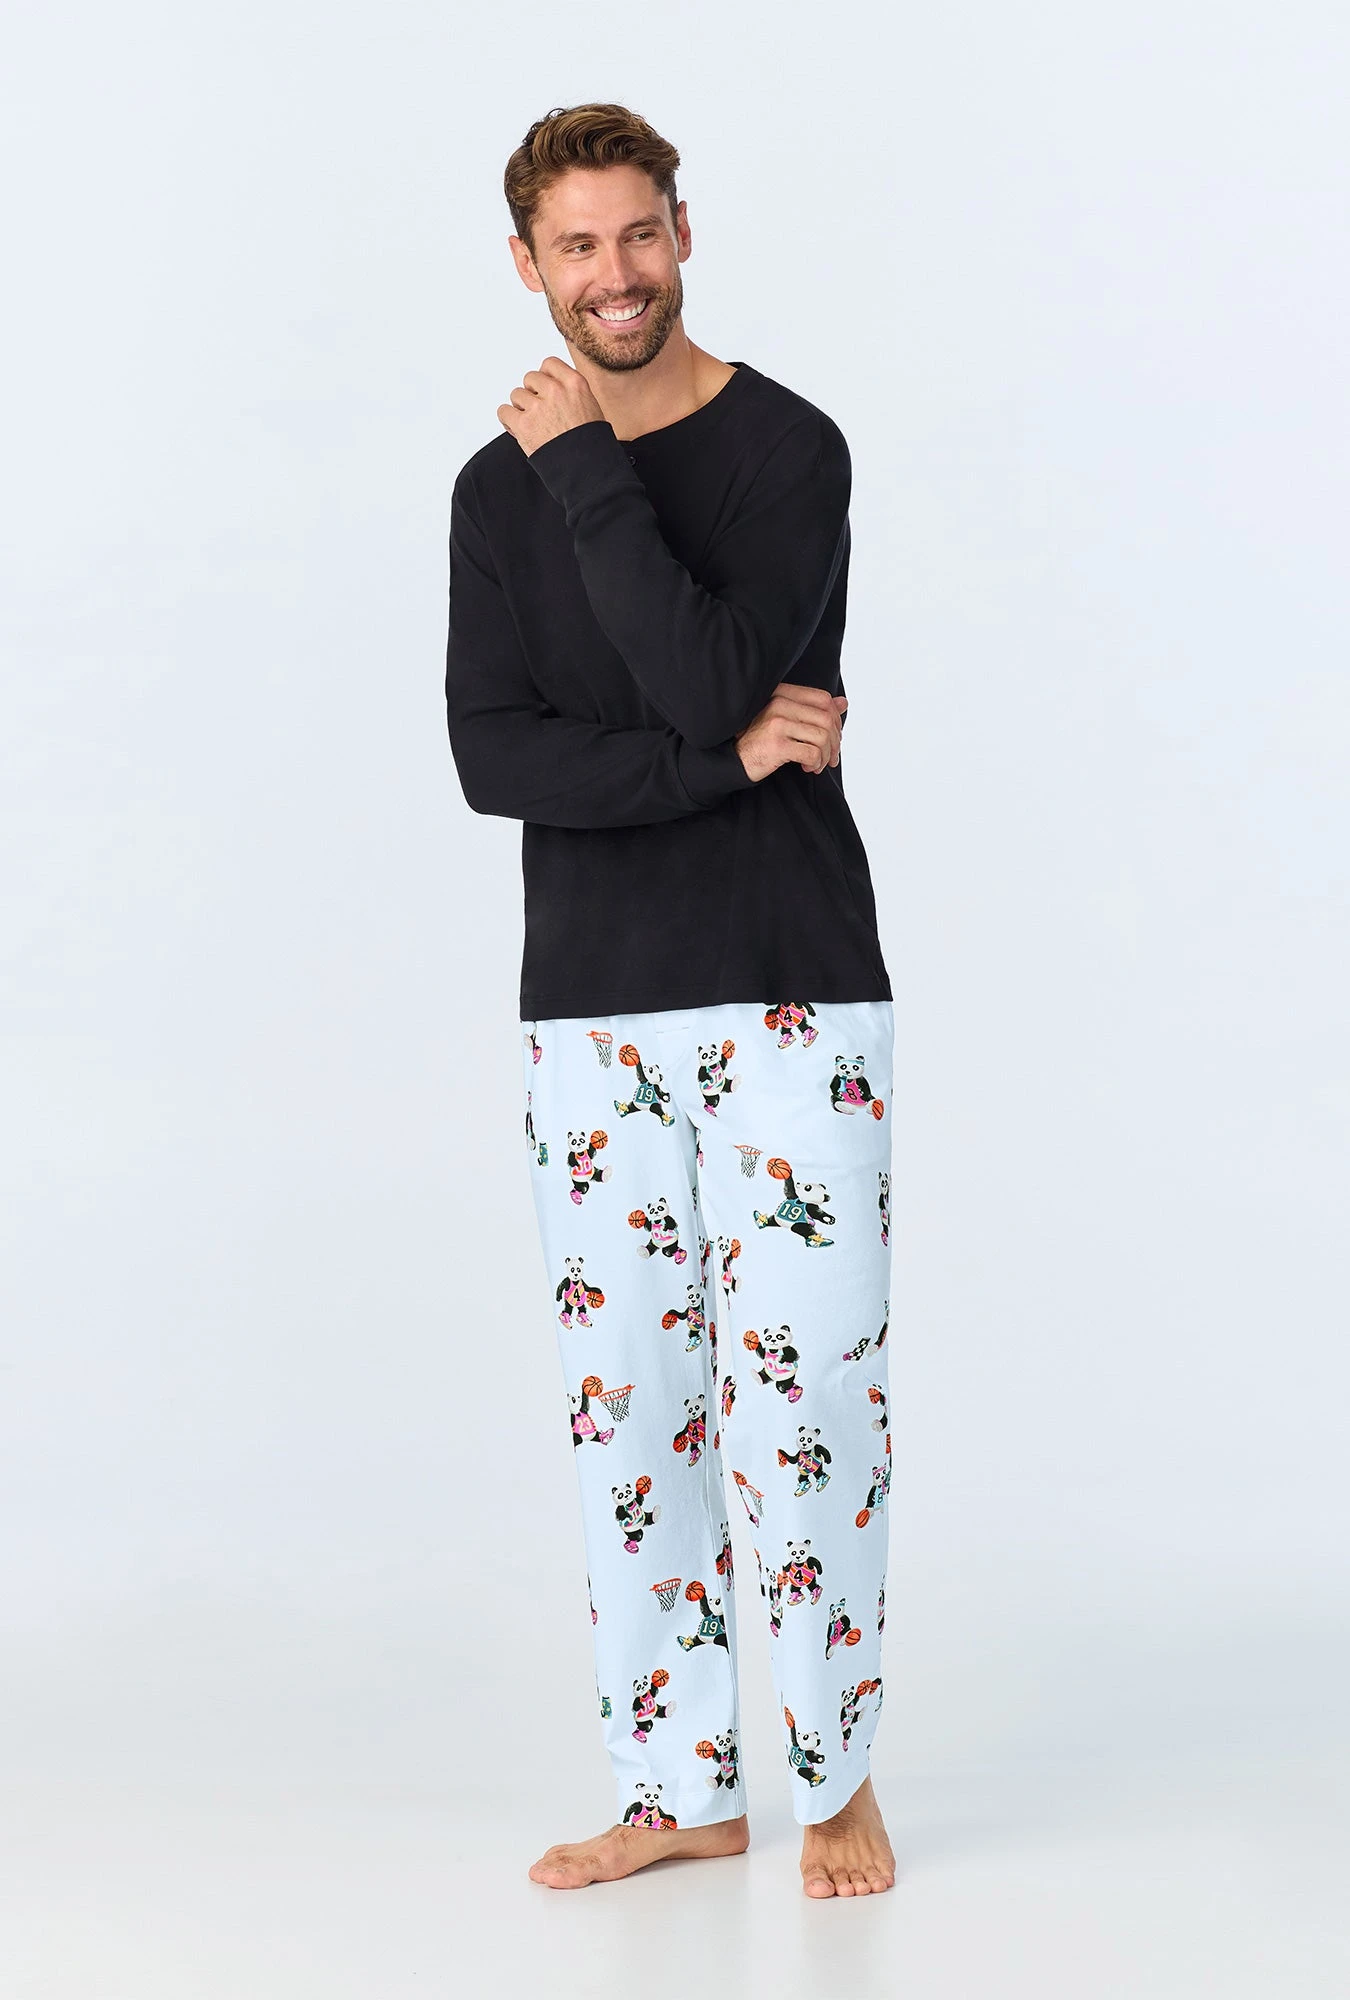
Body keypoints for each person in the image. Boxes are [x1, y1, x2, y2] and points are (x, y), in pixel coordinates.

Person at [444, 102, 898, 1899]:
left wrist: (587, 469)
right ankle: (679, 1786)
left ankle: (834, 1776)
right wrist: (721, 764)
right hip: (592, 1007)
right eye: (577, 246)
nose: (613, 275)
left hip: (790, 988)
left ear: (683, 234)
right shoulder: (492, 489)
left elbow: (711, 668)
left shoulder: (787, 449)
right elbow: (494, 760)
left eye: (638, 234)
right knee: (630, 1409)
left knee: (809, 1405)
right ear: (528, 264)